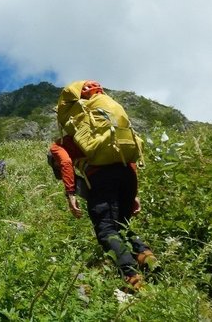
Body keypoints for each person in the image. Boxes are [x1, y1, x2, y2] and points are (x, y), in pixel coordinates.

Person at [49, 80, 157, 290]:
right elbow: (129, 159)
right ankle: (146, 256)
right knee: (122, 224)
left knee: (106, 229)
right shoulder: (111, 129)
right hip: (126, 174)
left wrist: (70, 193)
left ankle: (131, 277)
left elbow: (65, 162)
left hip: (102, 178)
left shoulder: (67, 141)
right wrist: (134, 193)